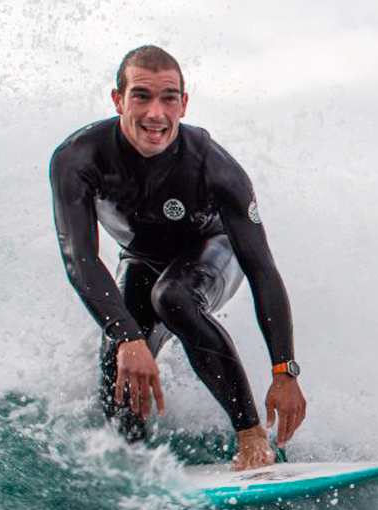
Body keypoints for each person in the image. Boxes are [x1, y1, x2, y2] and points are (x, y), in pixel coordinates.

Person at [49, 45, 306, 470]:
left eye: (169, 97)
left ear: (184, 104)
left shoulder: (213, 165)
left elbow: (261, 269)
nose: (156, 113)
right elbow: (80, 257)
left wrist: (285, 370)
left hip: (212, 250)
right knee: (120, 367)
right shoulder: (78, 158)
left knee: (173, 297)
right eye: (142, 96)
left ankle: (250, 437)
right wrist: (129, 338)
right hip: (141, 258)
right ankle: (133, 465)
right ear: (118, 100)